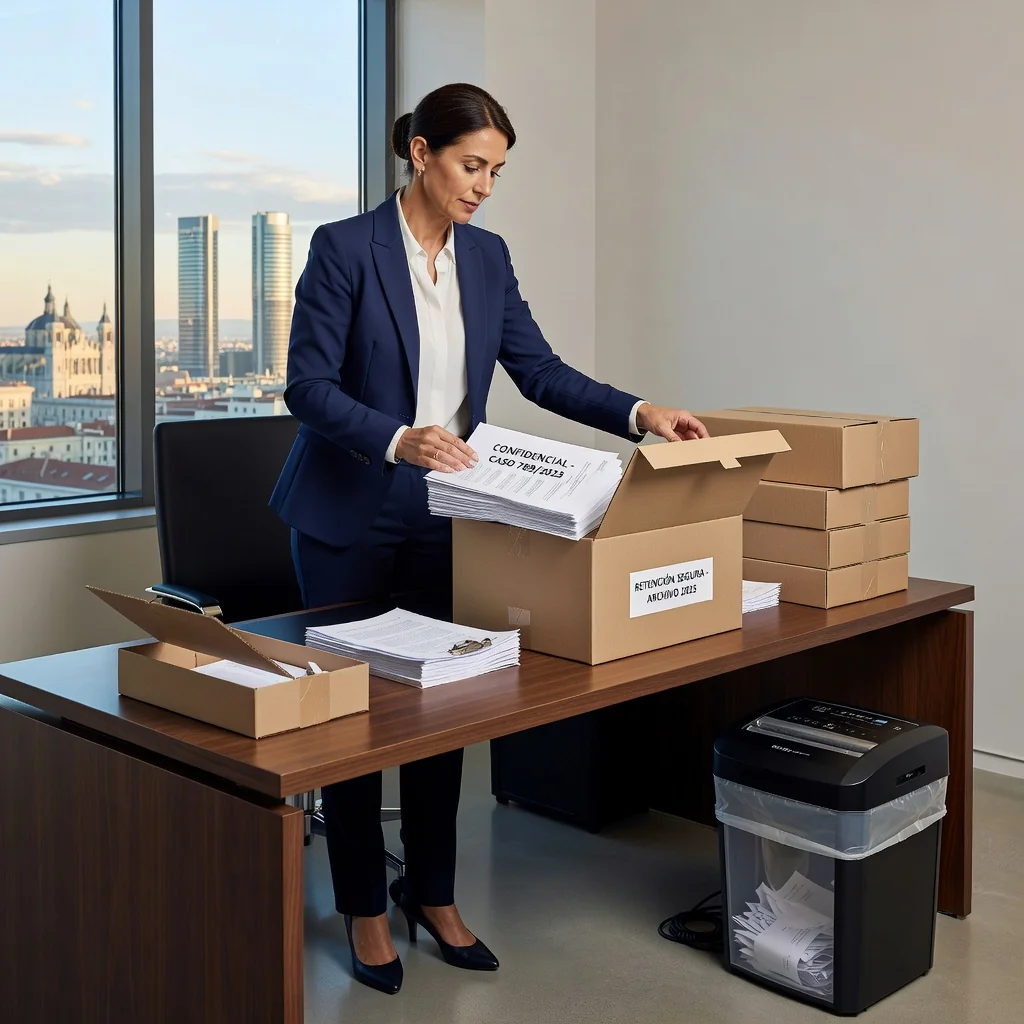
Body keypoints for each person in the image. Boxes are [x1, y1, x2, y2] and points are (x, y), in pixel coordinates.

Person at [270, 82, 709, 996]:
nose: (484, 186)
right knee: (352, 720)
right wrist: (398, 436)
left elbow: (539, 371)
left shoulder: (488, 257)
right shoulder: (344, 248)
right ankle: (361, 904)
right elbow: (306, 388)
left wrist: (640, 412)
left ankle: (432, 892)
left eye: (498, 172)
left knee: (442, 708)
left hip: (446, 508)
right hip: (349, 507)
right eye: (473, 165)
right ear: (422, 153)